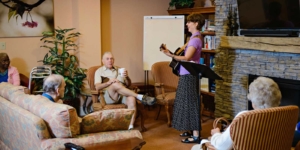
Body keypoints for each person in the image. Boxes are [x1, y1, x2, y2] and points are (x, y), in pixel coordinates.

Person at [191, 76, 282, 150]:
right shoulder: (284, 114)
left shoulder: (245, 117)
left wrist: (216, 133)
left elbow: (222, 147)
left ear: (253, 102)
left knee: (197, 147)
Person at [160, 13, 205, 143]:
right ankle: (190, 130)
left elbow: (186, 58)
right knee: (185, 102)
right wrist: (171, 53)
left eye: (189, 22)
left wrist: (170, 55)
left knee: (191, 103)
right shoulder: (193, 38)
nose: (187, 24)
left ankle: (196, 135)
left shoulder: (195, 40)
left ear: (196, 23)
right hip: (187, 74)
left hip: (190, 75)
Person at [94, 52, 156, 130]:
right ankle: (140, 96)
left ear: (114, 60)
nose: (110, 60)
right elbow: (97, 87)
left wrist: (126, 77)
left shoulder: (119, 69)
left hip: (122, 94)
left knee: (132, 99)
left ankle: (130, 126)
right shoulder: (99, 71)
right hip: (109, 96)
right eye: (107, 59)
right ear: (102, 61)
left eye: (111, 58)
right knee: (114, 84)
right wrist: (108, 83)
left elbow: (128, 84)